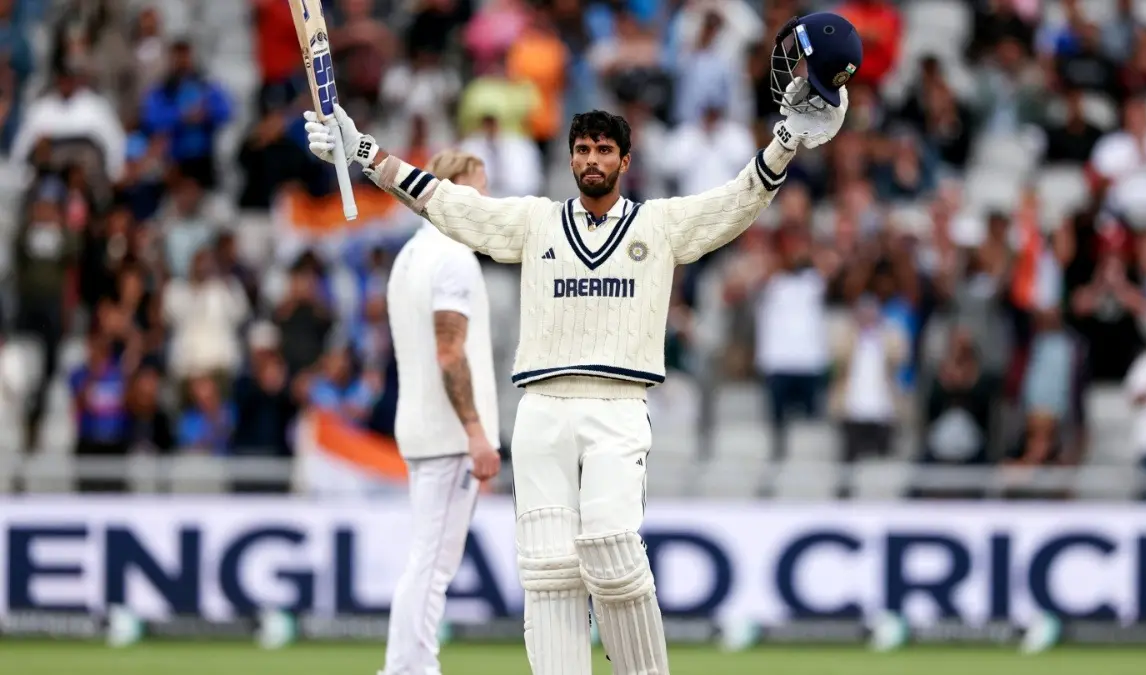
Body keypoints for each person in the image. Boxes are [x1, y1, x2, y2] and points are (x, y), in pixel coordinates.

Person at [306, 12, 859, 673]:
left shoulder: (660, 224)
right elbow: (449, 205)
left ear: (625, 161)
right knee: (546, 571)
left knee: (611, 545)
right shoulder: (535, 223)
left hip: (617, 404)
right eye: (583, 150)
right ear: (571, 159)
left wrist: (785, 146)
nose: (592, 160)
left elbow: (736, 202)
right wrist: (363, 150)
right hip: (540, 407)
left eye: (605, 150)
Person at [379, 150, 501, 675]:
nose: (486, 202)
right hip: (450, 435)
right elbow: (448, 351)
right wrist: (476, 432)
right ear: (447, 189)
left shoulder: (410, 254)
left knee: (426, 560)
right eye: (476, 190)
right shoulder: (453, 255)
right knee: (432, 565)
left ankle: (405, 666)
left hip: (421, 426)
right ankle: (410, 669)